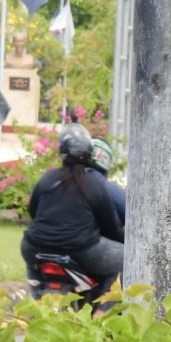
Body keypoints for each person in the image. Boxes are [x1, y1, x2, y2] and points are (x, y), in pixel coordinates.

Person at [20, 123, 123, 288]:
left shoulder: (47, 178)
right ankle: (103, 311)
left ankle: (37, 300)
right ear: (90, 153)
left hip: (34, 247)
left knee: (33, 269)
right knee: (127, 259)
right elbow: (111, 228)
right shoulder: (94, 184)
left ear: (61, 152)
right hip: (80, 250)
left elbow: (33, 211)